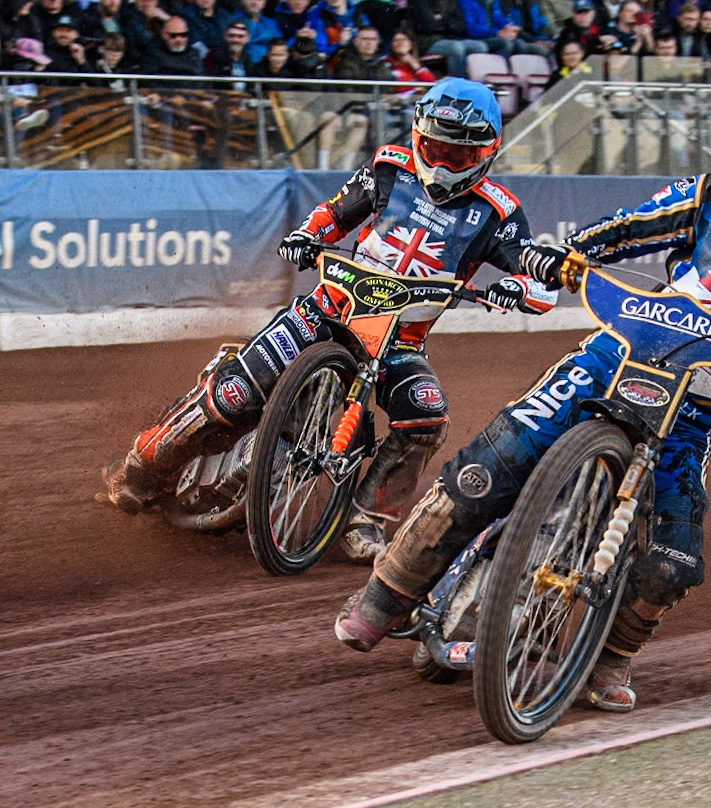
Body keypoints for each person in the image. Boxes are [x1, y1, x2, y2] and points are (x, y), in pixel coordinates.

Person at [334, 102, 711, 714]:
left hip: (693, 416)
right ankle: (384, 600)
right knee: (488, 466)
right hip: (616, 355)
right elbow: (630, 223)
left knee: (672, 562)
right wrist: (571, 252)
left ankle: (609, 657)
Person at [101, 79, 558, 561]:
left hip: (399, 342)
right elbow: (334, 214)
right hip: (327, 310)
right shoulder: (388, 166)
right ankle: (143, 465)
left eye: (458, 156)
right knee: (234, 391)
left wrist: (523, 286)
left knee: (426, 415)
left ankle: (368, 521)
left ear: (487, 152)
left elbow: (535, 273)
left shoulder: (498, 212)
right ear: (417, 135)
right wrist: (307, 234)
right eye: (435, 147)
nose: (443, 163)